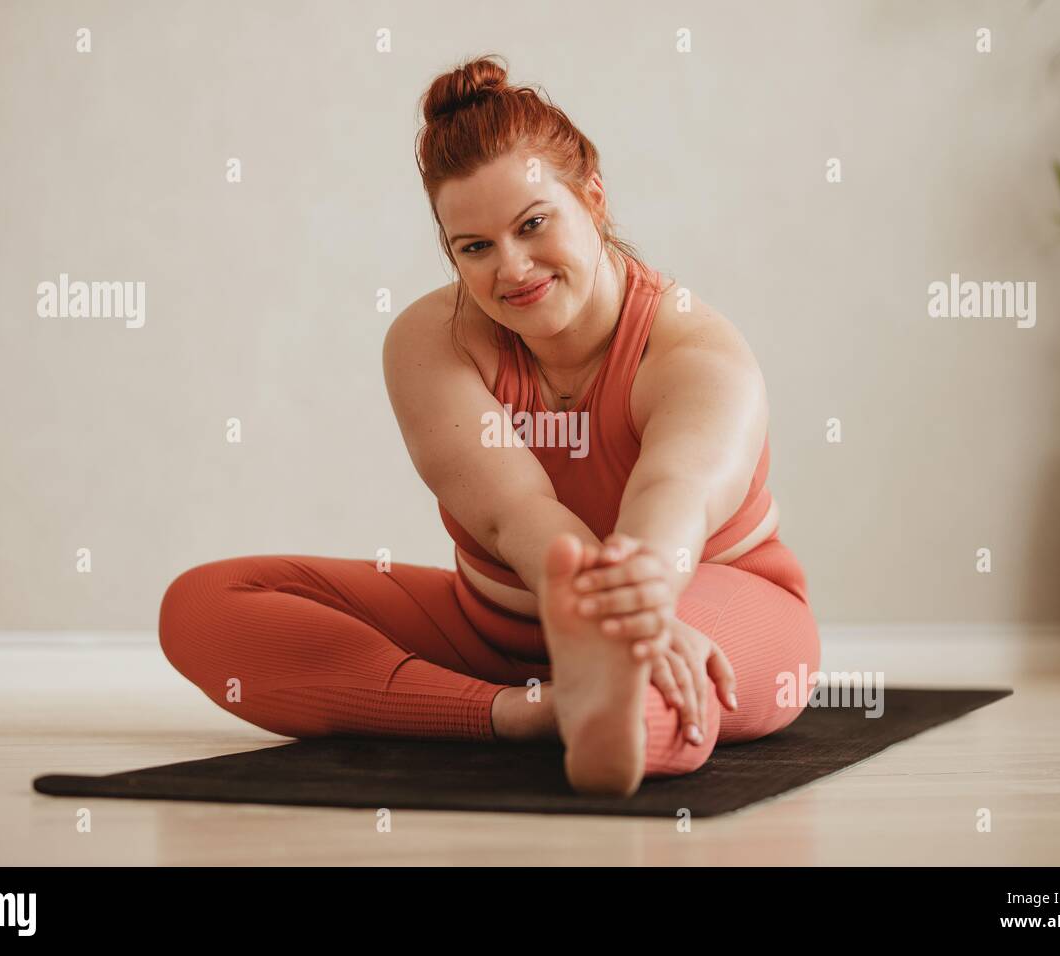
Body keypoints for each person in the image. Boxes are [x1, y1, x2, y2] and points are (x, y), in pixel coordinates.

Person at [158, 54, 820, 798]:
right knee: (205, 603)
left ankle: (614, 700)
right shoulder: (430, 339)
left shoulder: (695, 349)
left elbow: (675, 496)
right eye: (475, 247)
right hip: (493, 633)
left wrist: (633, 612)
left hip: (698, 605)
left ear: (592, 198)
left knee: (659, 673)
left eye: (533, 225)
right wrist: (571, 621)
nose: (513, 269)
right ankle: (520, 716)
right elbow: (514, 515)